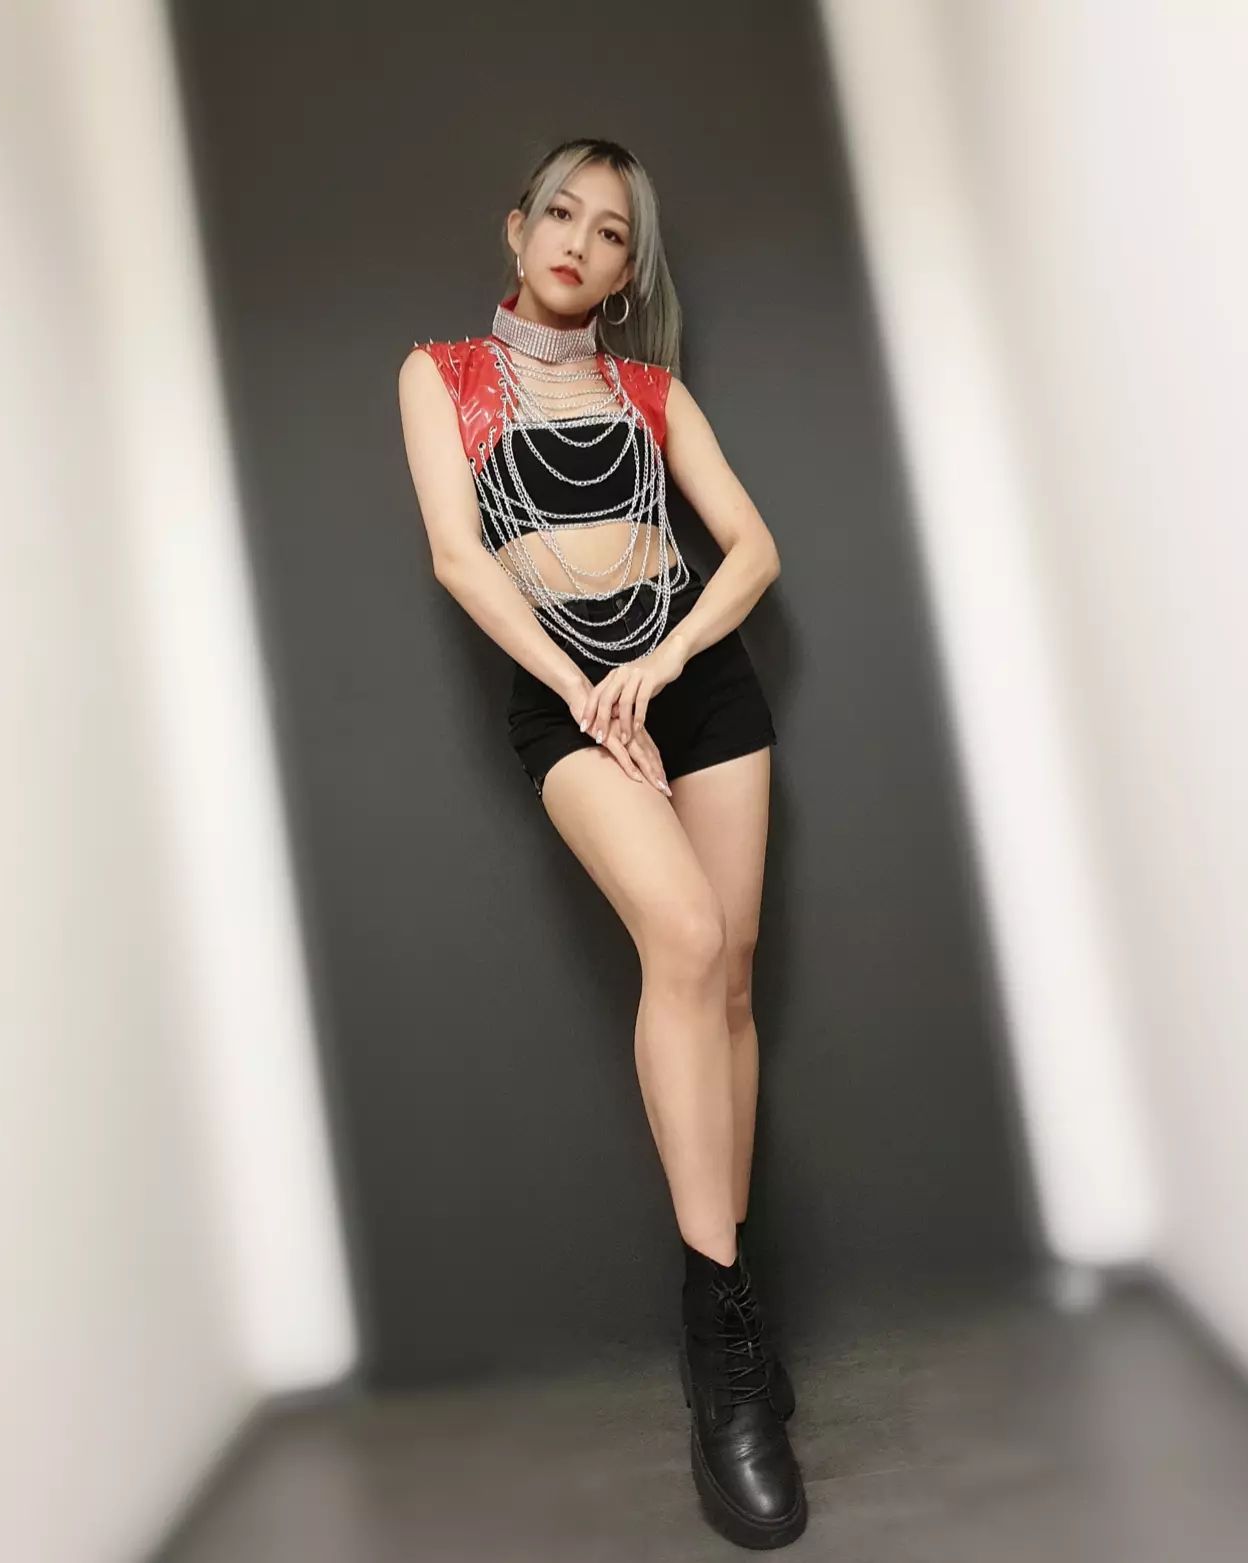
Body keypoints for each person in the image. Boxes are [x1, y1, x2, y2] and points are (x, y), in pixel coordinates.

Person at [398, 137, 806, 1549]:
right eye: (560, 213)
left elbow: (752, 549)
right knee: (680, 938)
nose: (579, 241)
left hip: (697, 685)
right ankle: (722, 1348)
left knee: (729, 976)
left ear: (630, 273)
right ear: (517, 229)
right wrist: (588, 691)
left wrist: (667, 659)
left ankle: (735, 1323)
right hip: (568, 701)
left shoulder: (650, 391)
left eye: (612, 232)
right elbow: (460, 557)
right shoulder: (442, 375)